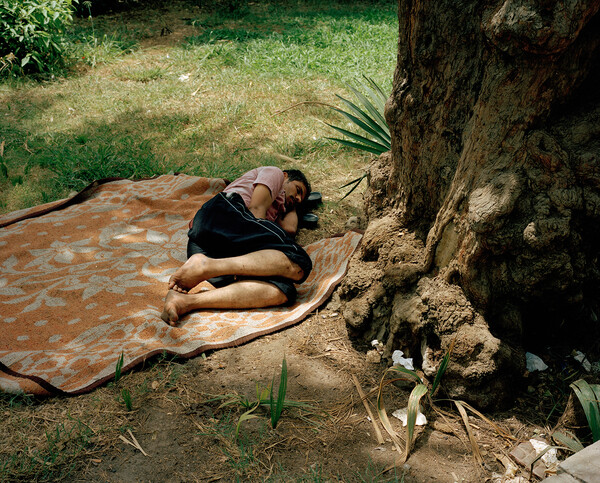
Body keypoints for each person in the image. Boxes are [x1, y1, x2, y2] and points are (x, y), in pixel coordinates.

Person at [161, 166, 312, 326]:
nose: (297, 198)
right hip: (225, 214)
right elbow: (256, 209)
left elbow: (289, 229)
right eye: (297, 190)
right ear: (285, 176)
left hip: (212, 246)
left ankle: (185, 301)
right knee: (300, 260)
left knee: (283, 289)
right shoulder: (275, 173)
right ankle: (205, 266)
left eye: (300, 198)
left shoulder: (279, 208)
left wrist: (294, 206)